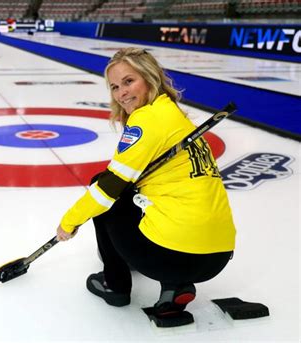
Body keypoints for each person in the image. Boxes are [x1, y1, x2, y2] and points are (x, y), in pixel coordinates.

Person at [56, 47, 236, 315]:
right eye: (115, 87)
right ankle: (174, 287)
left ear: (150, 78)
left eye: (129, 81)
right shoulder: (176, 118)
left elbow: (107, 189)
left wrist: (69, 222)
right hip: (217, 257)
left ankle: (115, 284)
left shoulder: (146, 120)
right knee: (138, 194)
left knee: (108, 193)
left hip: (173, 257)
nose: (121, 93)